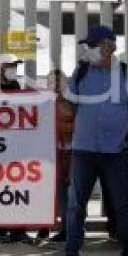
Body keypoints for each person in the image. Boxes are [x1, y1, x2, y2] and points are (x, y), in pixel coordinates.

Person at [61, 25, 128, 256]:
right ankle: (71, 253)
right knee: (77, 203)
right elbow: (69, 102)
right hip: (84, 147)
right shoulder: (82, 70)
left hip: (115, 149)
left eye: (94, 44)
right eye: (89, 46)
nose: (90, 49)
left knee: (122, 204)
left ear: (109, 45)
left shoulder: (126, 73)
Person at [0, 56, 32, 244]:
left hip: (14, 144)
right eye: (10, 65)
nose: (13, 68)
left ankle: (18, 231)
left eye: (15, 65)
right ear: (0, 67)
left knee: (17, 188)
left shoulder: (15, 84)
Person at [47, 69, 74, 243]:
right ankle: (65, 228)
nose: (56, 86)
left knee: (73, 192)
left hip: (73, 152)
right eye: (52, 82)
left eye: (59, 82)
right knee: (60, 193)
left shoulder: (74, 103)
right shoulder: (45, 104)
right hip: (54, 153)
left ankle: (74, 227)